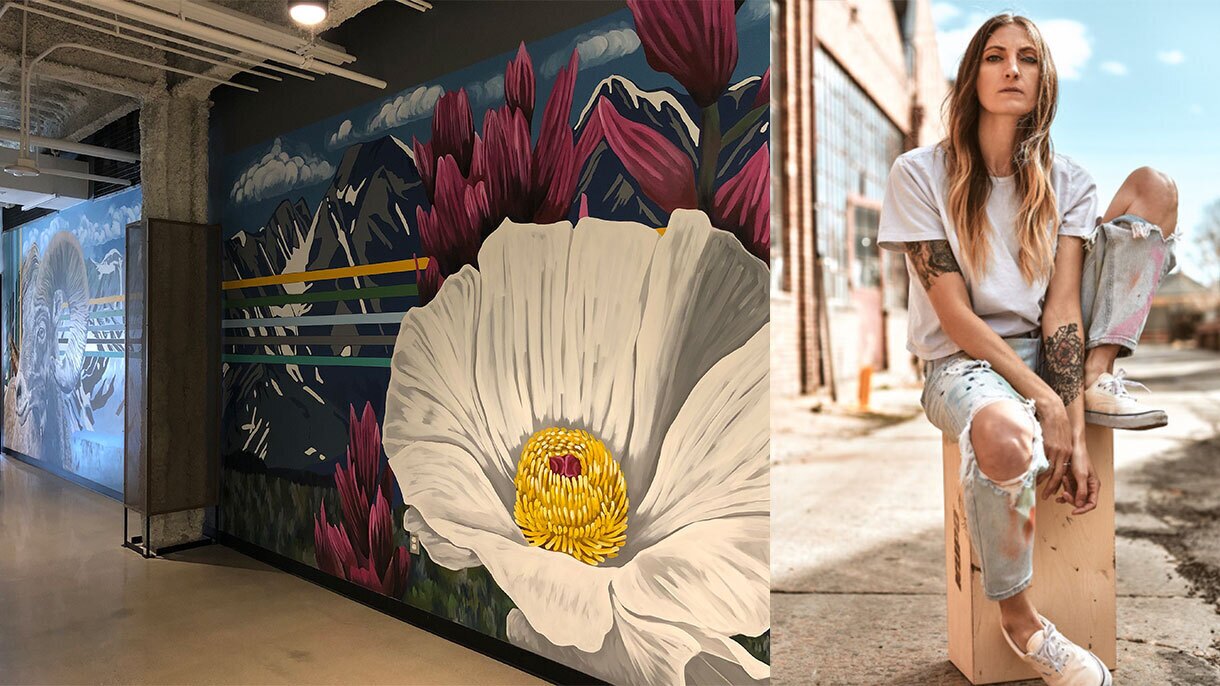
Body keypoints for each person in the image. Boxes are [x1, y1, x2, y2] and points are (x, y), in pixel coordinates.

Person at [878, 13, 1178, 686]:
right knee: (1008, 435)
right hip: (962, 361)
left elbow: (1063, 307)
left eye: (1028, 59)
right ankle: (1024, 627)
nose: (1012, 69)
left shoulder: (1065, 180)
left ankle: (1103, 375)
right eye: (995, 57)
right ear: (973, 76)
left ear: (1044, 80)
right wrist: (1040, 401)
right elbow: (953, 316)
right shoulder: (919, 174)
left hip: (1046, 349)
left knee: (1154, 188)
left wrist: (1071, 409)